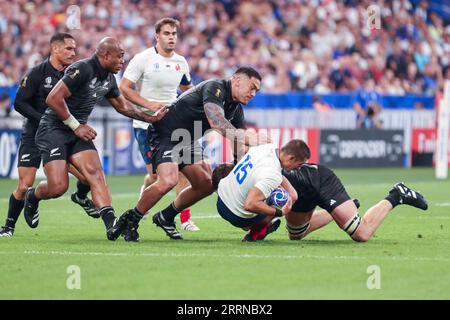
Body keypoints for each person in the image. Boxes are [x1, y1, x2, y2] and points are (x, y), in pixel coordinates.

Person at [22, 37, 168, 240]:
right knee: (58, 187)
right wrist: (76, 125)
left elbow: (122, 106)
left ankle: (111, 225)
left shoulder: (109, 78)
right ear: (106, 55)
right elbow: (53, 98)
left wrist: (148, 118)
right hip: (53, 129)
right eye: (120, 56)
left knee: (96, 174)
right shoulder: (82, 69)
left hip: (77, 131)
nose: (122, 61)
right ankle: (33, 195)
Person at [108, 67, 270, 242]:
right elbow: (217, 122)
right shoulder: (215, 87)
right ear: (237, 80)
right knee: (168, 181)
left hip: (187, 140)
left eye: (257, 90)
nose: (253, 93)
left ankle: (166, 216)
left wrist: (238, 164)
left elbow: (238, 142)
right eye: (251, 87)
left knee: (206, 184)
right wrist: (248, 137)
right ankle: (132, 218)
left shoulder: (236, 108)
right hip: (165, 133)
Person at [0, 33, 97, 238]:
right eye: (69, 49)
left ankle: (79, 197)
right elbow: (20, 103)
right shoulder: (37, 73)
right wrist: (43, 119)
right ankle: (8, 227)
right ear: (55, 49)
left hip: (63, 134)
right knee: (25, 184)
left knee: (89, 177)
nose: (73, 52)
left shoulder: (75, 73)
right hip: (34, 134)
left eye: (74, 49)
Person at [119, 17, 199, 236]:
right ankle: (145, 190)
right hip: (146, 125)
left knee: (181, 173)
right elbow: (125, 88)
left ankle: (185, 219)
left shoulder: (181, 62)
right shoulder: (143, 59)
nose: (171, 37)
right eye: (166, 33)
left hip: (174, 125)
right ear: (157, 36)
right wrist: (149, 106)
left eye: (174, 34)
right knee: (158, 179)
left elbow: (187, 87)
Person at [282, 157, 428, 242]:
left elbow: (261, 205)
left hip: (321, 181)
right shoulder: (264, 167)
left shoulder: (266, 170)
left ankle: (397, 195)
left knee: (361, 234)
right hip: (301, 187)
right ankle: (339, 210)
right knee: (296, 235)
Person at [211, 140, 312, 241]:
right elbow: (250, 204)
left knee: (292, 195)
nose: (298, 169)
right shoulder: (272, 175)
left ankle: (253, 225)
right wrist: (279, 212)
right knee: (281, 197)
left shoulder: (266, 147)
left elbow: (246, 152)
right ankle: (255, 233)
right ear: (291, 158)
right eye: (299, 165)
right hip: (236, 215)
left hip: (221, 200)